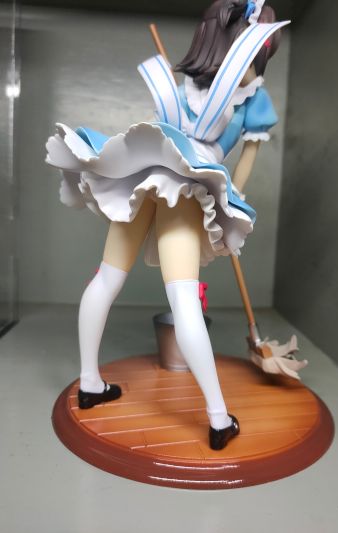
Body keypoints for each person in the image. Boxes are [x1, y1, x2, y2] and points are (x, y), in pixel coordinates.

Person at [45, 0, 288, 450]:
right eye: (259, 52)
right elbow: (242, 160)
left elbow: (162, 131)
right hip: (186, 185)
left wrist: (225, 197)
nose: (257, 63)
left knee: (108, 278)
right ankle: (218, 418)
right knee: (181, 299)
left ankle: (90, 383)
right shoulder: (248, 96)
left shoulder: (197, 87)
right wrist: (227, 200)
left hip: (144, 172)